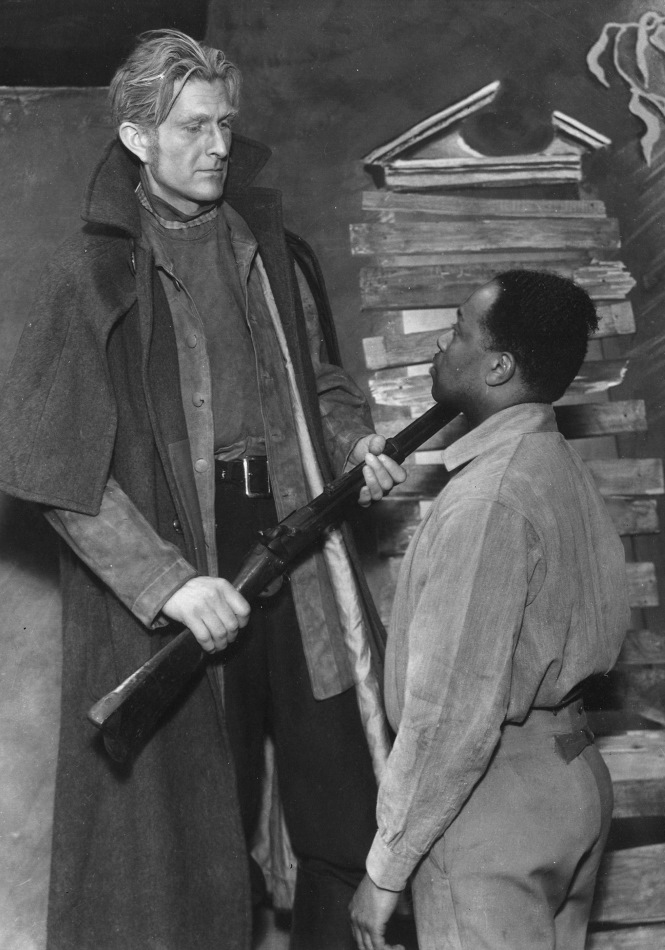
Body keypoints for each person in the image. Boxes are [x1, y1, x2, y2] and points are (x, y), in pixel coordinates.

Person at [0, 29, 405, 950]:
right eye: (193, 127)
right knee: (190, 846)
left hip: (298, 547)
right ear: (137, 137)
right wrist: (169, 584)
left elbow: (319, 385)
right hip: (183, 564)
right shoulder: (89, 276)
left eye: (225, 123)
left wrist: (358, 440)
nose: (218, 146)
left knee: (347, 815)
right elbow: (54, 470)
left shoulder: (270, 248)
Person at [350, 270, 630, 950]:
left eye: (457, 332)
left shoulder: (488, 501)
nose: (440, 347)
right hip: (571, 781)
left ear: (498, 366)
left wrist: (386, 869)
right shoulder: (554, 466)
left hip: (492, 806)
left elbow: (451, 711)